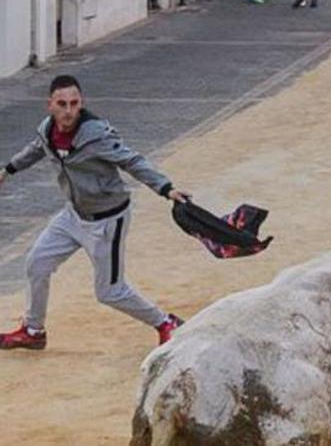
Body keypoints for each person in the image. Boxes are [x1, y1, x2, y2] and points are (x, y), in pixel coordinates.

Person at [0, 75, 191, 350]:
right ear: (50, 105)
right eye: (62, 104)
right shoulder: (47, 129)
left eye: (74, 103)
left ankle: (165, 323)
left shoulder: (97, 134)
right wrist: (9, 170)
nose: (68, 111)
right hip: (73, 215)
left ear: (81, 103)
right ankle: (33, 330)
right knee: (36, 263)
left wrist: (166, 188)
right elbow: (36, 149)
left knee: (110, 292)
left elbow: (131, 160)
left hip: (107, 220)